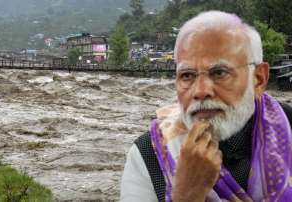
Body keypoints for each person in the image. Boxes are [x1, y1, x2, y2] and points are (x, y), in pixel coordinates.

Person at [120, 11, 292, 202]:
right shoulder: (149, 155)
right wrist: (186, 195)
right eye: (187, 75)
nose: (200, 91)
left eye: (219, 72)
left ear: (258, 79)